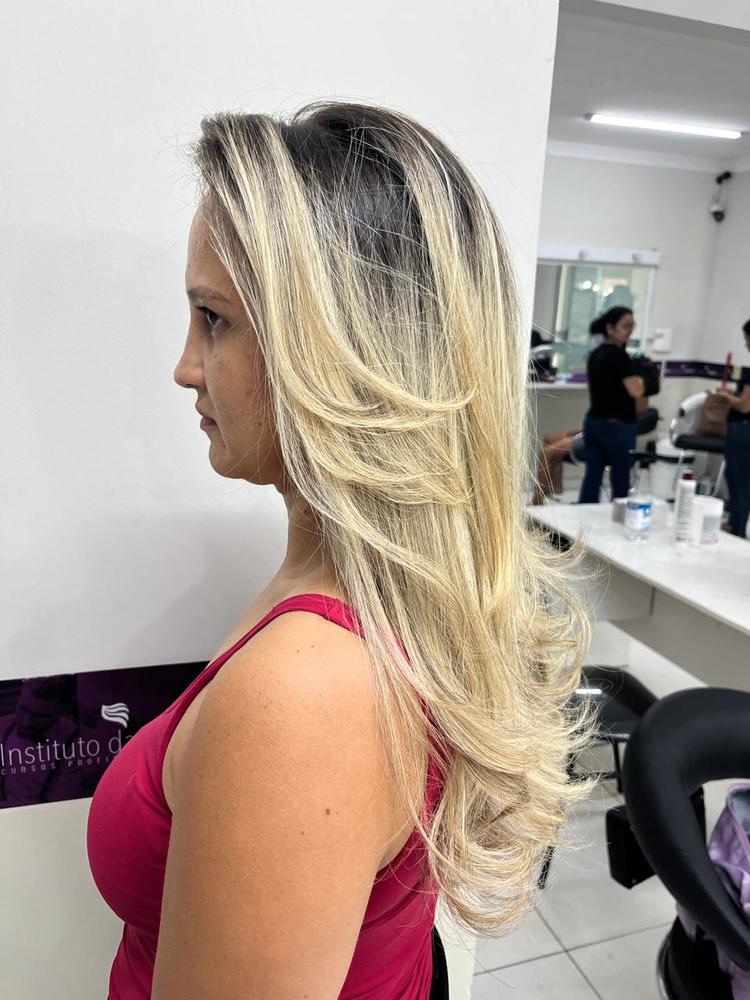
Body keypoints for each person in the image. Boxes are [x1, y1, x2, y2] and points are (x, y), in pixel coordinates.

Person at [86, 101, 592, 1000]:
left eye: (213, 319)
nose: (185, 366)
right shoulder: (369, 594)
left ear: (337, 350)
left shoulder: (305, 693)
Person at [578, 307, 647, 503]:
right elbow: (636, 391)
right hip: (617, 427)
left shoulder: (595, 354)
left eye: (632, 326)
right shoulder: (619, 356)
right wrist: (642, 380)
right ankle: (619, 517)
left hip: (593, 423)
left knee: (592, 477)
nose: (629, 331)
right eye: (625, 326)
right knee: (620, 480)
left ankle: (583, 516)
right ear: (610, 328)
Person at [715, 319, 750, 537]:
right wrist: (733, 394)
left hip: (743, 431)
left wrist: (727, 397)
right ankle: (735, 523)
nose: (746, 344)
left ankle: (737, 529)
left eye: (747, 339)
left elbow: (745, 406)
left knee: (739, 481)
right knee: (739, 479)